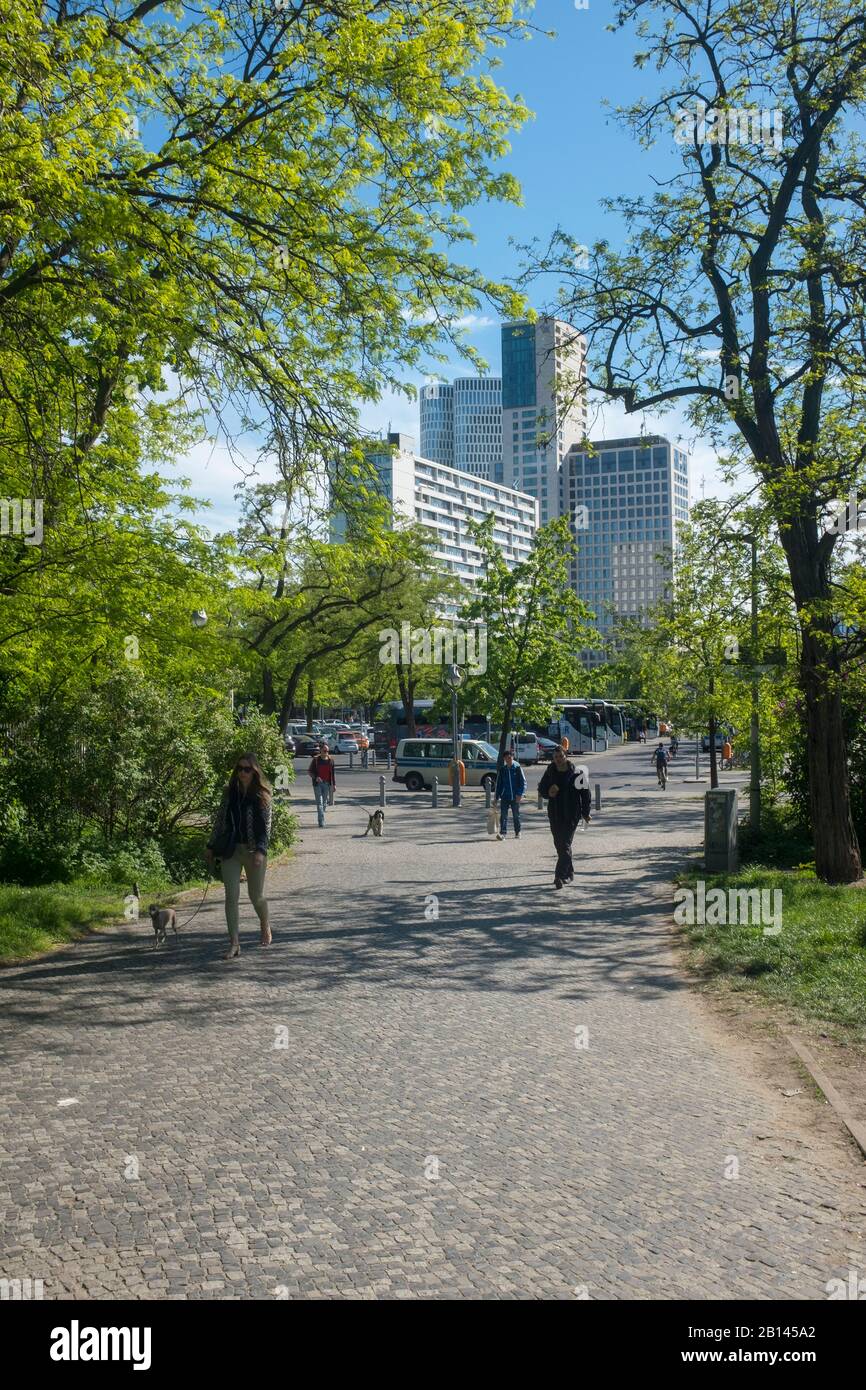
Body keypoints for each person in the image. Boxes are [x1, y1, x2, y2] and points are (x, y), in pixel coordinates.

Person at [206, 753, 272, 959]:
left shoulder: (263, 796)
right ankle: (234, 943)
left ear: (255, 772)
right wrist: (210, 846)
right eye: (239, 769)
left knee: (256, 897)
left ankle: (264, 923)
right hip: (231, 851)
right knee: (231, 897)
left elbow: (266, 829)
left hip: (253, 852)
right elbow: (219, 822)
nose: (242, 773)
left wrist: (260, 851)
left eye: (247, 769)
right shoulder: (229, 794)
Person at [538, 745, 581, 889]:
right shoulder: (550, 771)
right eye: (555, 757)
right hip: (555, 814)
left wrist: (586, 812)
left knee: (565, 844)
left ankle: (560, 876)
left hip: (571, 814)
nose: (558, 760)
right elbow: (542, 788)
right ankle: (570, 871)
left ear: (566, 756)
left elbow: (585, 793)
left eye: (560, 756)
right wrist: (548, 792)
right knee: (559, 844)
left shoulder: (576, 772)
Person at [495, 747, 526, 840]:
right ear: (504, 759)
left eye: (510, 757)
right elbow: (499, 785)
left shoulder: (517, 768)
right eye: (507, 757)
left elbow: (523, 782)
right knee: (503, 816)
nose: (509, 759)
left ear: (513, 757)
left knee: (516, 815)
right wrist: (496, 798)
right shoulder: (502, 770)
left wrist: (520, 794)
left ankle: (518, 831)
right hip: (505, 796)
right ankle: (503, 833)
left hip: (515, 797)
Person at [308, 743, 336, 827]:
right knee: (319, 803)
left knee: (324, 803)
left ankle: (321, 817)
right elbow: (310, 771)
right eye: (324, 751)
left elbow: (332, 774)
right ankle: (321, 822)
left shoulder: (331, 760)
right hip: (318, 784)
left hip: (327, 784)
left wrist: (334, 784)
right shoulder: (316, 760)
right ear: (321, 751)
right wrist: (316, 777)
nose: (326, 752)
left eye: (328, 751)